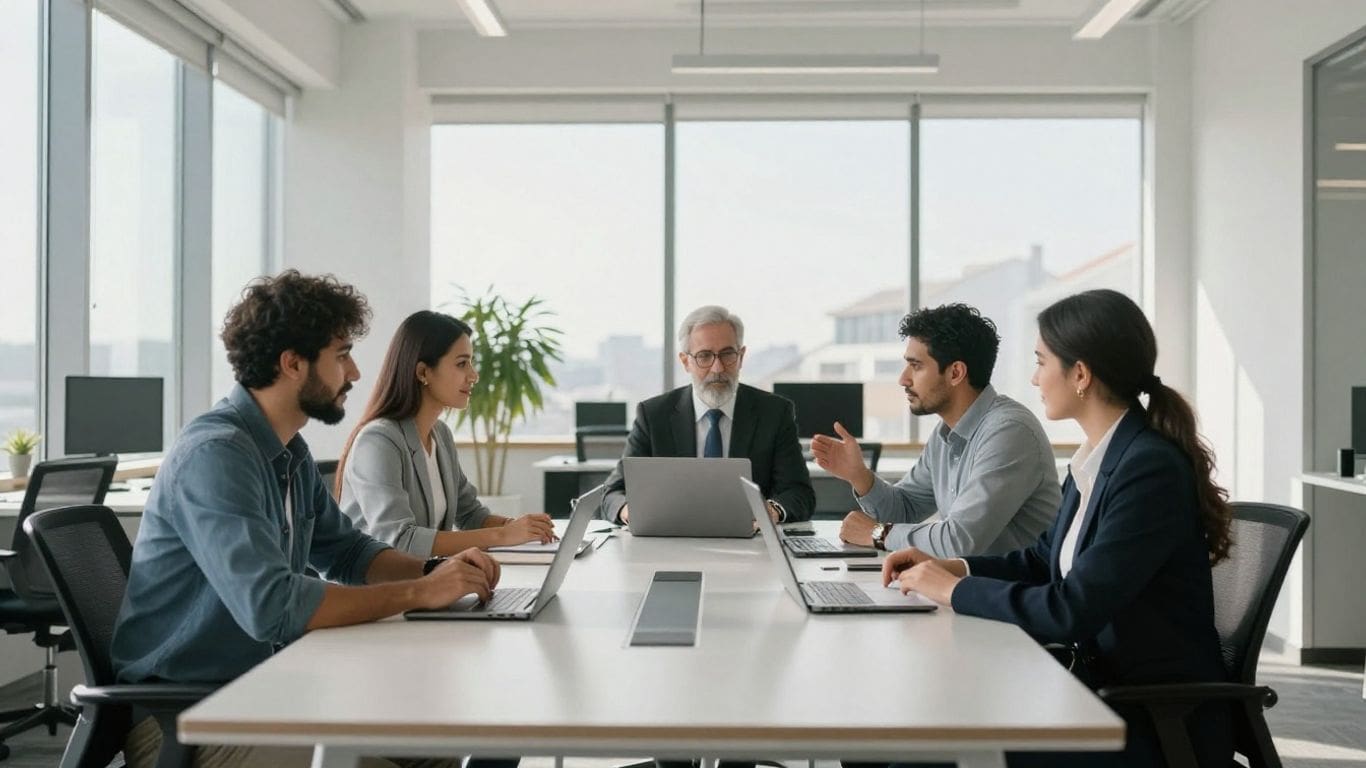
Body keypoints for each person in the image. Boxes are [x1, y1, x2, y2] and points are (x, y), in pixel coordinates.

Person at [110, 272, 500, 768]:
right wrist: (421, 593)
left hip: (269, 687)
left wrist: (438, 575)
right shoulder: (218, 456)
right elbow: (272, 606)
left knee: (439, 746)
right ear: (292, 363)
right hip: (191, 716)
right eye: (341, 355)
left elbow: (348, 552)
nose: (355, 372)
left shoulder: (287, 451)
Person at [883, 289, 1233, 767]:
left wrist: (953, 591)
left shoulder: (1147, 468)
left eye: (1041, 361)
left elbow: (1073, 608)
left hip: (1140, 715)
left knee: (913, 749)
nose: (1033, 377)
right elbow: (1041, 559)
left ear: (1081, 374)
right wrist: (953, 566)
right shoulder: (1097, 458)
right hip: (1084, 684)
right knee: (899, 727)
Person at [811, 303, 1058, 556]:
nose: (903, 379)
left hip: (1012, 591)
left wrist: (877, 534)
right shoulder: (946, 434)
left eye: (916, 366)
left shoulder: (1009, 433)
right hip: (966, 584)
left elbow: (958, 541)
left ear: (955, 373)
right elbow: (904, 510)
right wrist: (859, 475)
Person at [338, 310, 556, 556]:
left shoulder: (439, 435)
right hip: (375, 590)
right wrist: (504, 535)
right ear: (423, 373)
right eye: (462, 364)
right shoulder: (378, 441)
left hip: (423, 582)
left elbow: (471, 515)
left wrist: (520, 528)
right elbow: (399, 540)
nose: (473, 375)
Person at [603, 304, 814, 525]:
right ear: (686, 361)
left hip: (752, 545)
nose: (717, 368)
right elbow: (613, 494)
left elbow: (799, 493)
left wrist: (771, 511)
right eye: (704, 356)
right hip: (671, 542)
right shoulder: (654, 415)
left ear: (741, 357)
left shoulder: (775, 413)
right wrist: (629, 511)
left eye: (727, 354)